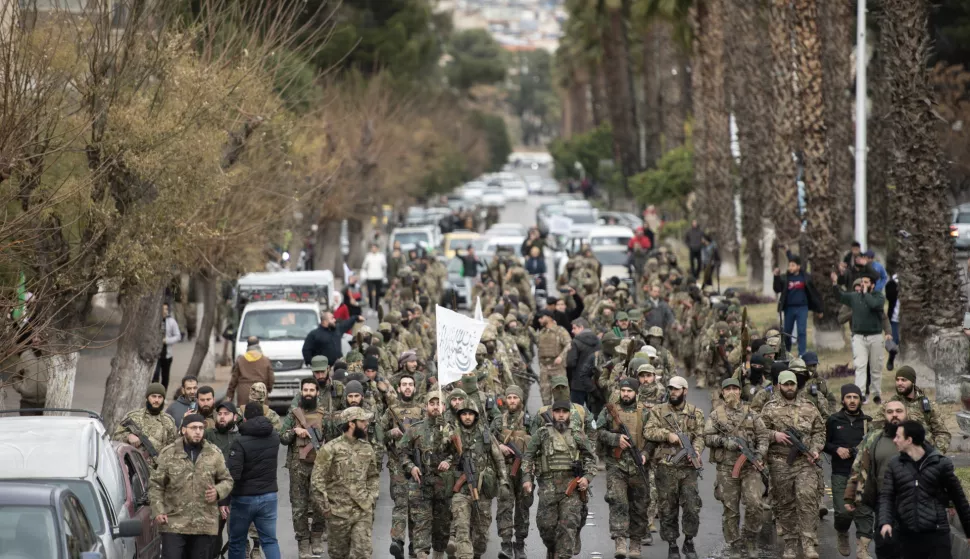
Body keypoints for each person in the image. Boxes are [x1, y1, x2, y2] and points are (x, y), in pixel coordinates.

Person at [878, 420, 970, 558]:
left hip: (936, 535)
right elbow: (887, 496)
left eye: (898, 436)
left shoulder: (940, 464)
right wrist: (885, 522)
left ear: (909, 440)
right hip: (906, 535)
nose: (894, 440)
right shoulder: (894, 465)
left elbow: (959, 498)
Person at [149, 413, 234, 559]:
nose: (198, 431)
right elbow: (156, 485)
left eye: (201, 428)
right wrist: (158, 510)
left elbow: (227, 480)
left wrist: (218, 492)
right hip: (174, 523)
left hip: (203, 524)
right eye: (194, 428)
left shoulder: (213, 453)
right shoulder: (169, 454)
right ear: (183, 430)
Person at [760, 371, 825, 559]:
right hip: (780, 463)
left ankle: (808, 543)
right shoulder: (770, 408)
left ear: (797, 385)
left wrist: (814, 449)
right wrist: (775, 435)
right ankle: (790, 543)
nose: (789, 388)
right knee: (785, 503)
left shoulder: (809, 407)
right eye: (786, 384)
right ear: (779, 386)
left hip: (805, 462)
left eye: (792, 384)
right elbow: (758, 431)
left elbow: (819, 431)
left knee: (807, 499)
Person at [522, 400, 597, 559]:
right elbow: (527, 457)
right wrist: (527, 479)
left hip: (571, 488)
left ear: (570, 414)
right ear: (553, 413)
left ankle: (563, 553)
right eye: (557, 412)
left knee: (568, 526)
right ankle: (553, 547)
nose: (561, 415)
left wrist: (586, 478)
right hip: (548, 487)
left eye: (564, 411)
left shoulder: (577, 434)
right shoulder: (541, 434)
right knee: (546, 526)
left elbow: (590, 458)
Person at [703, 378, 769, 559]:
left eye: (735, 388)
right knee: (730, 509)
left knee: (755, 503)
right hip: (726, 469)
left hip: (750, 468)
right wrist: (725, 442)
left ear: (740, 392)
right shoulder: (716, 415)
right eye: (728, 389)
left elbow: (763, 436)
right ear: (723, 393)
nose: (732, 392)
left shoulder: (752, 414)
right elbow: (707, 437)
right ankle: (733, 543)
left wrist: (759, 455)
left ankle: (751, 538)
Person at [644, 376, 705, 559]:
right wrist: (667, 435)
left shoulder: (696, 413)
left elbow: (700, 436)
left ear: (685, 391)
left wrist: (696, 451)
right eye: (671, 389)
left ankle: (688, 541)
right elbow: (648, 431)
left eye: (677, 389)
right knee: (667, 508)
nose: (673, 392)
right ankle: (672, 544)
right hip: (665, 466)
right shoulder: (658, 410)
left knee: (692, 506)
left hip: (688, 468)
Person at [310, 407, 381, 559]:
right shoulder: (330, 449)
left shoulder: (367, 448)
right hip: (338, 513)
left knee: (362, 553)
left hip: (362, 510)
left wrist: (372, 498)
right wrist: (325, 508)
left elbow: (373, 476)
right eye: (362, 421)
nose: (366, 424)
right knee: (338, 554)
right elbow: (317, 480)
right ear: (351, 424)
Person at [444, 400, 510, 559]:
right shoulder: (453, 433)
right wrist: (445, 439)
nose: (467, 417)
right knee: (462, 529)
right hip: (460, 490)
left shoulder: (485, 434)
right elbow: (441, 451)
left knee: (481, 536)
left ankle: (476, 554)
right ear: (459, 416)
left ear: (475, 415)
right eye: (464, 414)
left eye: (470, 414)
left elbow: (498, 458)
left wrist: (504, 482)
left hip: (482, 491)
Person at [844, 400, 909, 559]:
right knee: (885, 543)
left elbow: (935, 466)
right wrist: (850, 495)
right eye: (890, 411)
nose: (894, 415)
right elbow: (858, 466)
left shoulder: (918, 435)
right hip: (883, 500)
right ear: (884, 415)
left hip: (912, 499)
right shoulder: (874, 438)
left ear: (906, 413)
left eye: (899, 411)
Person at [596, 378, 651, 559]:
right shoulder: (609, 411)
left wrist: (645, 454)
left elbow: (651, 437)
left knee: (639, 506)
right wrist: (616, 440)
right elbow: (599, 432)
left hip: (638, 465)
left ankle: (635, 543)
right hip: (616, 465)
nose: (626, 394)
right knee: (618, 501)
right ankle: (620, 540)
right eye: (623, 390)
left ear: (636, 392)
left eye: (629, 391)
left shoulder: (645, 412)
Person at [399, 392, 455, 559]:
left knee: (442, 529)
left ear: (444, 407)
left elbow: (460, 453)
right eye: (432, 403)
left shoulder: (450, 429)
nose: (436, 406)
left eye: (439, 403)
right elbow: (402, 452)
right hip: (420, 486)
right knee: (421, 527)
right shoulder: (415, 429)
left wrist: (449, 461)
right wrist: (411, 467)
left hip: (442, 486)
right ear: (426, 406)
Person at [279, 378, 329, 558]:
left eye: (311, 390)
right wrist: (294, 432)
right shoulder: (294, 414)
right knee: (299, 508)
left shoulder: (325, 415)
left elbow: (332, 440)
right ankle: (303, 542)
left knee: (319, 504)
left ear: (317, 392)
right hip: (297, 467)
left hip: (319, 467)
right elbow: (282, 438)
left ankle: (316, 537)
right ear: (301, 392)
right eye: (305, 390)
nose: (308, 393)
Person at [226, 403, 281, 559]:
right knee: (270, 541)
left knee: (237, 541)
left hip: (244, 498)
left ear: (244, 418)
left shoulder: (240, 441)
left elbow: (234, 473)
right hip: (269, 496)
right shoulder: (274, 437)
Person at [823, 384, 871, 557]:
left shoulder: (867, 422)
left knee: (864, 513)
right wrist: (836, 449)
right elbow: (823, 443)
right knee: (843, 512)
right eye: (848, 397)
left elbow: (873, 444)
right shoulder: (834, 420)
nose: (852, 400)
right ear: (843, 399)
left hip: (863, 475)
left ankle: (862, 549)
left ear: (860, 400)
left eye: (855, 397)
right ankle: (842, 532)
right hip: (840, 473)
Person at [382, 373, 426, 559]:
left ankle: (415, 546)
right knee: (400, 503)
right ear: (398, 388)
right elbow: (379, 436)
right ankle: (397, 541)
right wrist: (390, 433)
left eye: (410, 384)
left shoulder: (422, 410)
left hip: (417, 465)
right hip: (397, 466)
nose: (407, 387)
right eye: (404, 384)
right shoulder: (390, 411)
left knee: (416, 506)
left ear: (414, 388)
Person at [831, 271, 889, 404]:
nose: (863, 284)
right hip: (859, 337)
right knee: (860, 366)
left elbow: (873, 304)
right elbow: (839, 296)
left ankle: (876, 394)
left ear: (872, 285)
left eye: (866, 282)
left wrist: (865, 293)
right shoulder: (854, 297)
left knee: (876, 367)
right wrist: (835, 284)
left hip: (875, 337)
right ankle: (860, 394)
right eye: (862, 282)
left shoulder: (878, 297)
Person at [492, 385, 535, 559]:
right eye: (509, 397)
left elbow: (538, 444)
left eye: (515, 398)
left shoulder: (529, 420)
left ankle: (519, 544)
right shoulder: (497, 421)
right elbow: (486, 440)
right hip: (504, 469)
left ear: (520, 400)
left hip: (524, 469)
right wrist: (499, 446)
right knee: (504, 506)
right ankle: (506, 544)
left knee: (523, 507)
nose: (512, 401)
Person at [889, 366, 951, 454]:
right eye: (897, 380)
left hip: (924, 455)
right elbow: (876, 430)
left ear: (913, 382)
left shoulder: (928, 405)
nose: (899, 383)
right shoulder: (890, 406)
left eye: (903, 380)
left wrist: (935, 455)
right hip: (898, 456)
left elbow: (942, 433)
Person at [205, 401, 239, 557]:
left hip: (238, 494)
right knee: (213, 534)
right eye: (220, 414)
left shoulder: (241, 437)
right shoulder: (209, 435)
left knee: (237, 535)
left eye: (226, 414)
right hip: (215, 493)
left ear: (235, 417)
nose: (222, 417)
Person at [112, 383, 178, 463]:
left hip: (158, 470)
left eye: (160, 397)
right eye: (153, 396)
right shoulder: (133, 417)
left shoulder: (169, 421)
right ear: (147, 398)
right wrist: (128, 437)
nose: (156, 400)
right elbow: (115, 438)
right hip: (134, 467)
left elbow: (174, 448)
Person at [773, 255, 822, 356]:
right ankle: (786, 353)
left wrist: (819, 309)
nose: (790, 267)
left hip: (802, 308)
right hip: (789, 309)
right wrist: (776, 276)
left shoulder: (805, 277)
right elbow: (777, 289)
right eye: (789, 265)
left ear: (798, 266)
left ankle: (802, 354)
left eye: (793, 265)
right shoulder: (785, 277)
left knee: (801, 331)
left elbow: (813, 293)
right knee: (787, 332)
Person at [536, 310, 572, 406]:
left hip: (557, 368)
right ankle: (547, 417)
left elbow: (569, 344)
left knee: (561, 394)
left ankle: (562, 417)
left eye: (542, 317)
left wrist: (561, 356)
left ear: (549, 317)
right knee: (545, 395)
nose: (539, 320)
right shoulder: (542, 332)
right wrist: (540, 364)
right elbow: (539, 349)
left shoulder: (560, 331)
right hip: (544, 368)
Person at [226, 336, 274, 407]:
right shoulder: (265, 360)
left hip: (244, 393)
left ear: (247, 345)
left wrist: (230, 394)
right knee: (260, 414)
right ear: (258, 344)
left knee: (244, 414)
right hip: (260, 392)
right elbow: (271, 378)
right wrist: (268, 389)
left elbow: (234, 380)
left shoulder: (240, 360)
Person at [565, 318, 600, 406]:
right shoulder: (598, 341)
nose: (572, 331)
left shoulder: (575, 342)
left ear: (581, 328)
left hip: (578, 384)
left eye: (574, 328)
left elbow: (571, 362)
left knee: (576, 411)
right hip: (593, 384)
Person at [153, 302, 182, 389]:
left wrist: (167, 340)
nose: (164, 311)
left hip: (167, 354)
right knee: (155, 375)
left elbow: (178, 336)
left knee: (165, 377)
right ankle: (154, 394)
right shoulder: (154, 321)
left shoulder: (171, 321)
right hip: (155, 354)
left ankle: (163, 394)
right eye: (162, 309)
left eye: (166, 309)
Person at [361, 243, 388, 311]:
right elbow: (364, 266)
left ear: (377, 249)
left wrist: (384, 276)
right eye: (372, 248)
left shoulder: (381, 256)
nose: (373, 249)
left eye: (375, 248)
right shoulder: (368, 256)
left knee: (378, 293)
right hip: (370, 277)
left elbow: (384, 266)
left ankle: (376, 307)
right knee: (370, 292)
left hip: (378, 277)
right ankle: (370, 306)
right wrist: (364, 275)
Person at [885, 270, 900, 370]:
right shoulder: (892, 282)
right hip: (895, 318)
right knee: (894, 342)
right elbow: (889, 296)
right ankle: (891, 359)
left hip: (908, 319)